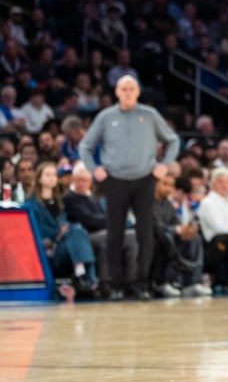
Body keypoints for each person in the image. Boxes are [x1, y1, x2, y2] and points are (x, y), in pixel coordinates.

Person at [79, 75, 180, 299]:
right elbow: (85, 146)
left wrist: (164, 165)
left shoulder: (150, 115)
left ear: (138, 92)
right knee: (114, 233)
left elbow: (173, 140)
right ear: (116, 92)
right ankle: (117, 285)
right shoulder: (106, 117)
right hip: (115, 180)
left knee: (146, 233)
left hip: (145, 179)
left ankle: (142, 283)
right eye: (123, 89)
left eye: (131, 88)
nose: (127, 92)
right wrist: (94, 168)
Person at [64, 164, 142, 298]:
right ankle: (107, 284)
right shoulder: (70, 198)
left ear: (91, 181)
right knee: (108, 237)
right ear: (73, 180)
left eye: (85, 180)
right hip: (83, 238)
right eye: (79, 179)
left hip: (105, 231)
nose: (82, 183)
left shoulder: (95, 198)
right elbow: (88, 219)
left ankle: (132, 281)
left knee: (133, 237)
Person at [24, 162, 97, 300]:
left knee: (77, 229)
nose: (52, 178)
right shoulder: (31, 205)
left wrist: (63, 231)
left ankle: (81, 274)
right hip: (48, 250)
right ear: (39, 178)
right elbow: (36, 232)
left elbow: (66, 225)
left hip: (64, 245)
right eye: (48, 175)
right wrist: (57, 233)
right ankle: (85, 276)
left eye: (54, 175)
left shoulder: (60, 202)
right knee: (76, 231)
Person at [152, 173, 210, 297]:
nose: (168, 189)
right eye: (164, 184)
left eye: (171, 185)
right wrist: (177, 230)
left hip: (170, 234)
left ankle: (192, 283)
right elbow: (155, 226)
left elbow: (176, 223)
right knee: (166, 238)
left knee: (195, 238)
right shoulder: (147, 203)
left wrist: (187, 230)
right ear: (155, 184)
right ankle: (165, 282)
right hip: (155, 237)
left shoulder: (168, 204)